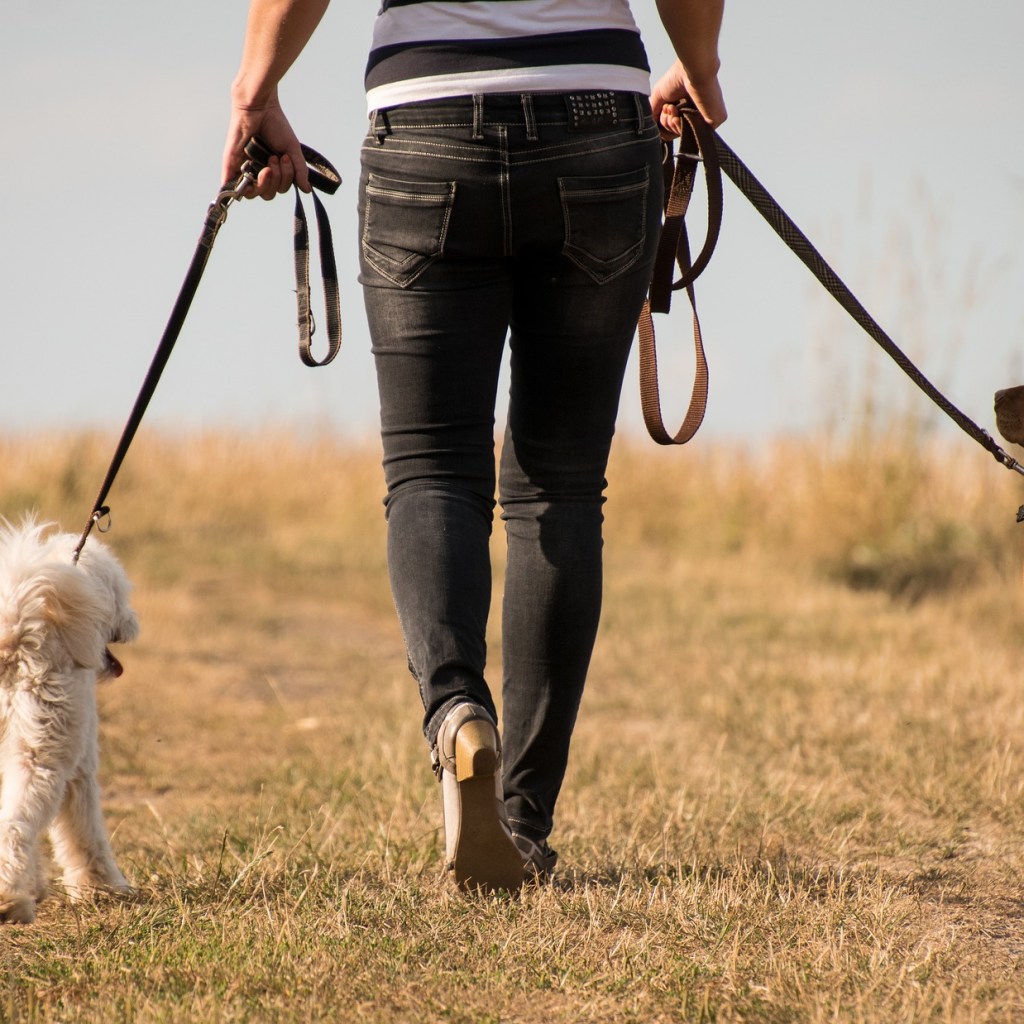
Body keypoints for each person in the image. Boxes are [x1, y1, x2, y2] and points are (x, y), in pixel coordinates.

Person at [222, 0, 726, 894]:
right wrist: (701, 62)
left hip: (428, 120)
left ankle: (458, 712)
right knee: (560, 485)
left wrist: (256, 85)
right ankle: (523, 823)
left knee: (431, 469)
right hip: (598, 121)